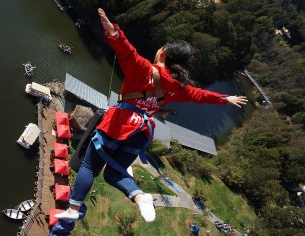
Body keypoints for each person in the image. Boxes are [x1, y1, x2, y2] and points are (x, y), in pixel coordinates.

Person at [55, 8, 248, 223]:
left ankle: (73, 209)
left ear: (163, 53)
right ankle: (139, 196)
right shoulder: (178, 87)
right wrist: (225, 99)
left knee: (89, 165)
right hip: (142, 133)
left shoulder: (143, 69)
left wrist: (114, 31)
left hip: (121, 123)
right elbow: (200, 96)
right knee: (112, 174)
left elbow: (127, 51)